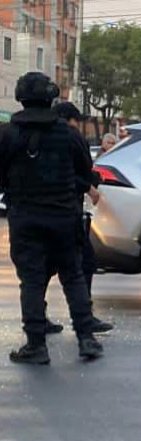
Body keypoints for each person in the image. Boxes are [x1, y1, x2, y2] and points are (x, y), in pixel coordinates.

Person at [0, 72, 103, 364]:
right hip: (64, 218)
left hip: (25, 218)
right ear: (50, 97)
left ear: (20, 98)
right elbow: (86, 174)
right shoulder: (69, 134)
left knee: (31, 281)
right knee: (73, 276)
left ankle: (36, 345)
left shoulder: (7, 134)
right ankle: (86, 339)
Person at [50, 101, 114, 334]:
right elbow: (76, 173)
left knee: (42, 271)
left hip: (39, 216)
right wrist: (91, 184)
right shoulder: (71, 139)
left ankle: (38, 321)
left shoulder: (38, 138)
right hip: (68, 214)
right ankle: (84, 324)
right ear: (72, 120)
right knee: (83, 264)